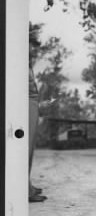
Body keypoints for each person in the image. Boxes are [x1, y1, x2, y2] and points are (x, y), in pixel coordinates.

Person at [29, 64, 47, 203]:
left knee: (30, 151)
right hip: (26, 104)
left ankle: (27, 186)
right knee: (25, 150)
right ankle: (26, 191)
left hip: (32, 104)